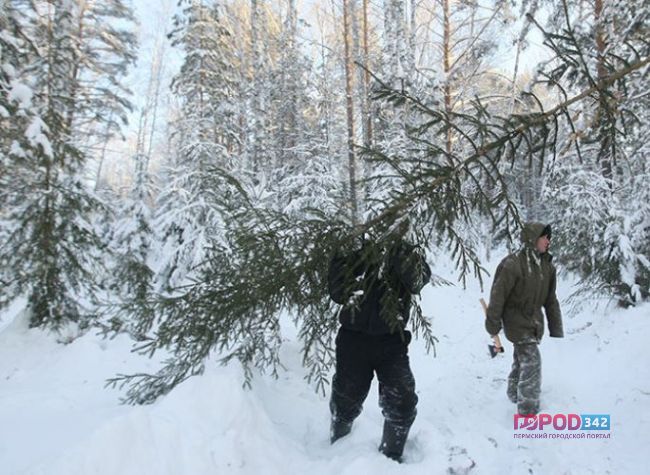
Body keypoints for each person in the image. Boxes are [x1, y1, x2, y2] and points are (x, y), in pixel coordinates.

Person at [327, 231, 431, 462]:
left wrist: (396, 252)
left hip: (392, 342)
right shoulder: (355, 246)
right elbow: (336, 291)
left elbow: (417, 282)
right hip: (353, 340)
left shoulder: (407, 249)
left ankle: (390, 458)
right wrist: (357, 255)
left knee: (402, 401)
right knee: (346, 399)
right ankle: (336, 449)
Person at [485, 222, 563, 415]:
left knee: (522, 358)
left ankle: (514, 393)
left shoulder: (547, 266)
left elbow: (550, 299)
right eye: (545, 237)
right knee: (532, 361)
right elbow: (498, 294)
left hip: (534, 321)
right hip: (515, 320)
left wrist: (556, 326)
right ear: (533, 238)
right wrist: (493, 322)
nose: (548, 241)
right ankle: (528, 410)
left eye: (549, 238)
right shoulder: (513, 264)